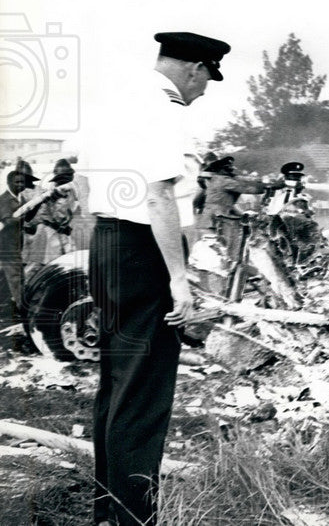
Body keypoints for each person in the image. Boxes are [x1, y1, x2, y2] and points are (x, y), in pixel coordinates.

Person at [86, 31, 230, 526]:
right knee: (143, 391)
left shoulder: (118, 105)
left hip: (106, 244)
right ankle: (132, 517)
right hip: (141, 251)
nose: (206, 89)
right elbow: (159, 197)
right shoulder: (165, 110)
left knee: (117, 384)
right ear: (194, 69)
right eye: (208, 77)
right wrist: (179, 278)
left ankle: (109, 510)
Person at [0, 160, 42, 322]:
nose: (21, 186)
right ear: (9, 182)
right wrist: (24, 212)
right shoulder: (5, 200)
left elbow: (28, 217)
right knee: (17, 278)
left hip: (15, 245)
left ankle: (10, 307)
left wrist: (37, 204)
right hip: (6, 246)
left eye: (24, 183)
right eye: (18, 182)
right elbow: (9, 221)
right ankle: (25, 312)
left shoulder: (19, 198)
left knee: (10, 277)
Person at [196, 155, 266, 232]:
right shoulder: (224, 180)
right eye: (228, 169)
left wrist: (259, 180)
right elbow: (246, 188)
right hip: (215, 219)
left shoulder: (220, 177)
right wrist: (266, 187)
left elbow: (241, 178)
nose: (231, 171)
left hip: (215, 216)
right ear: (222, 170)